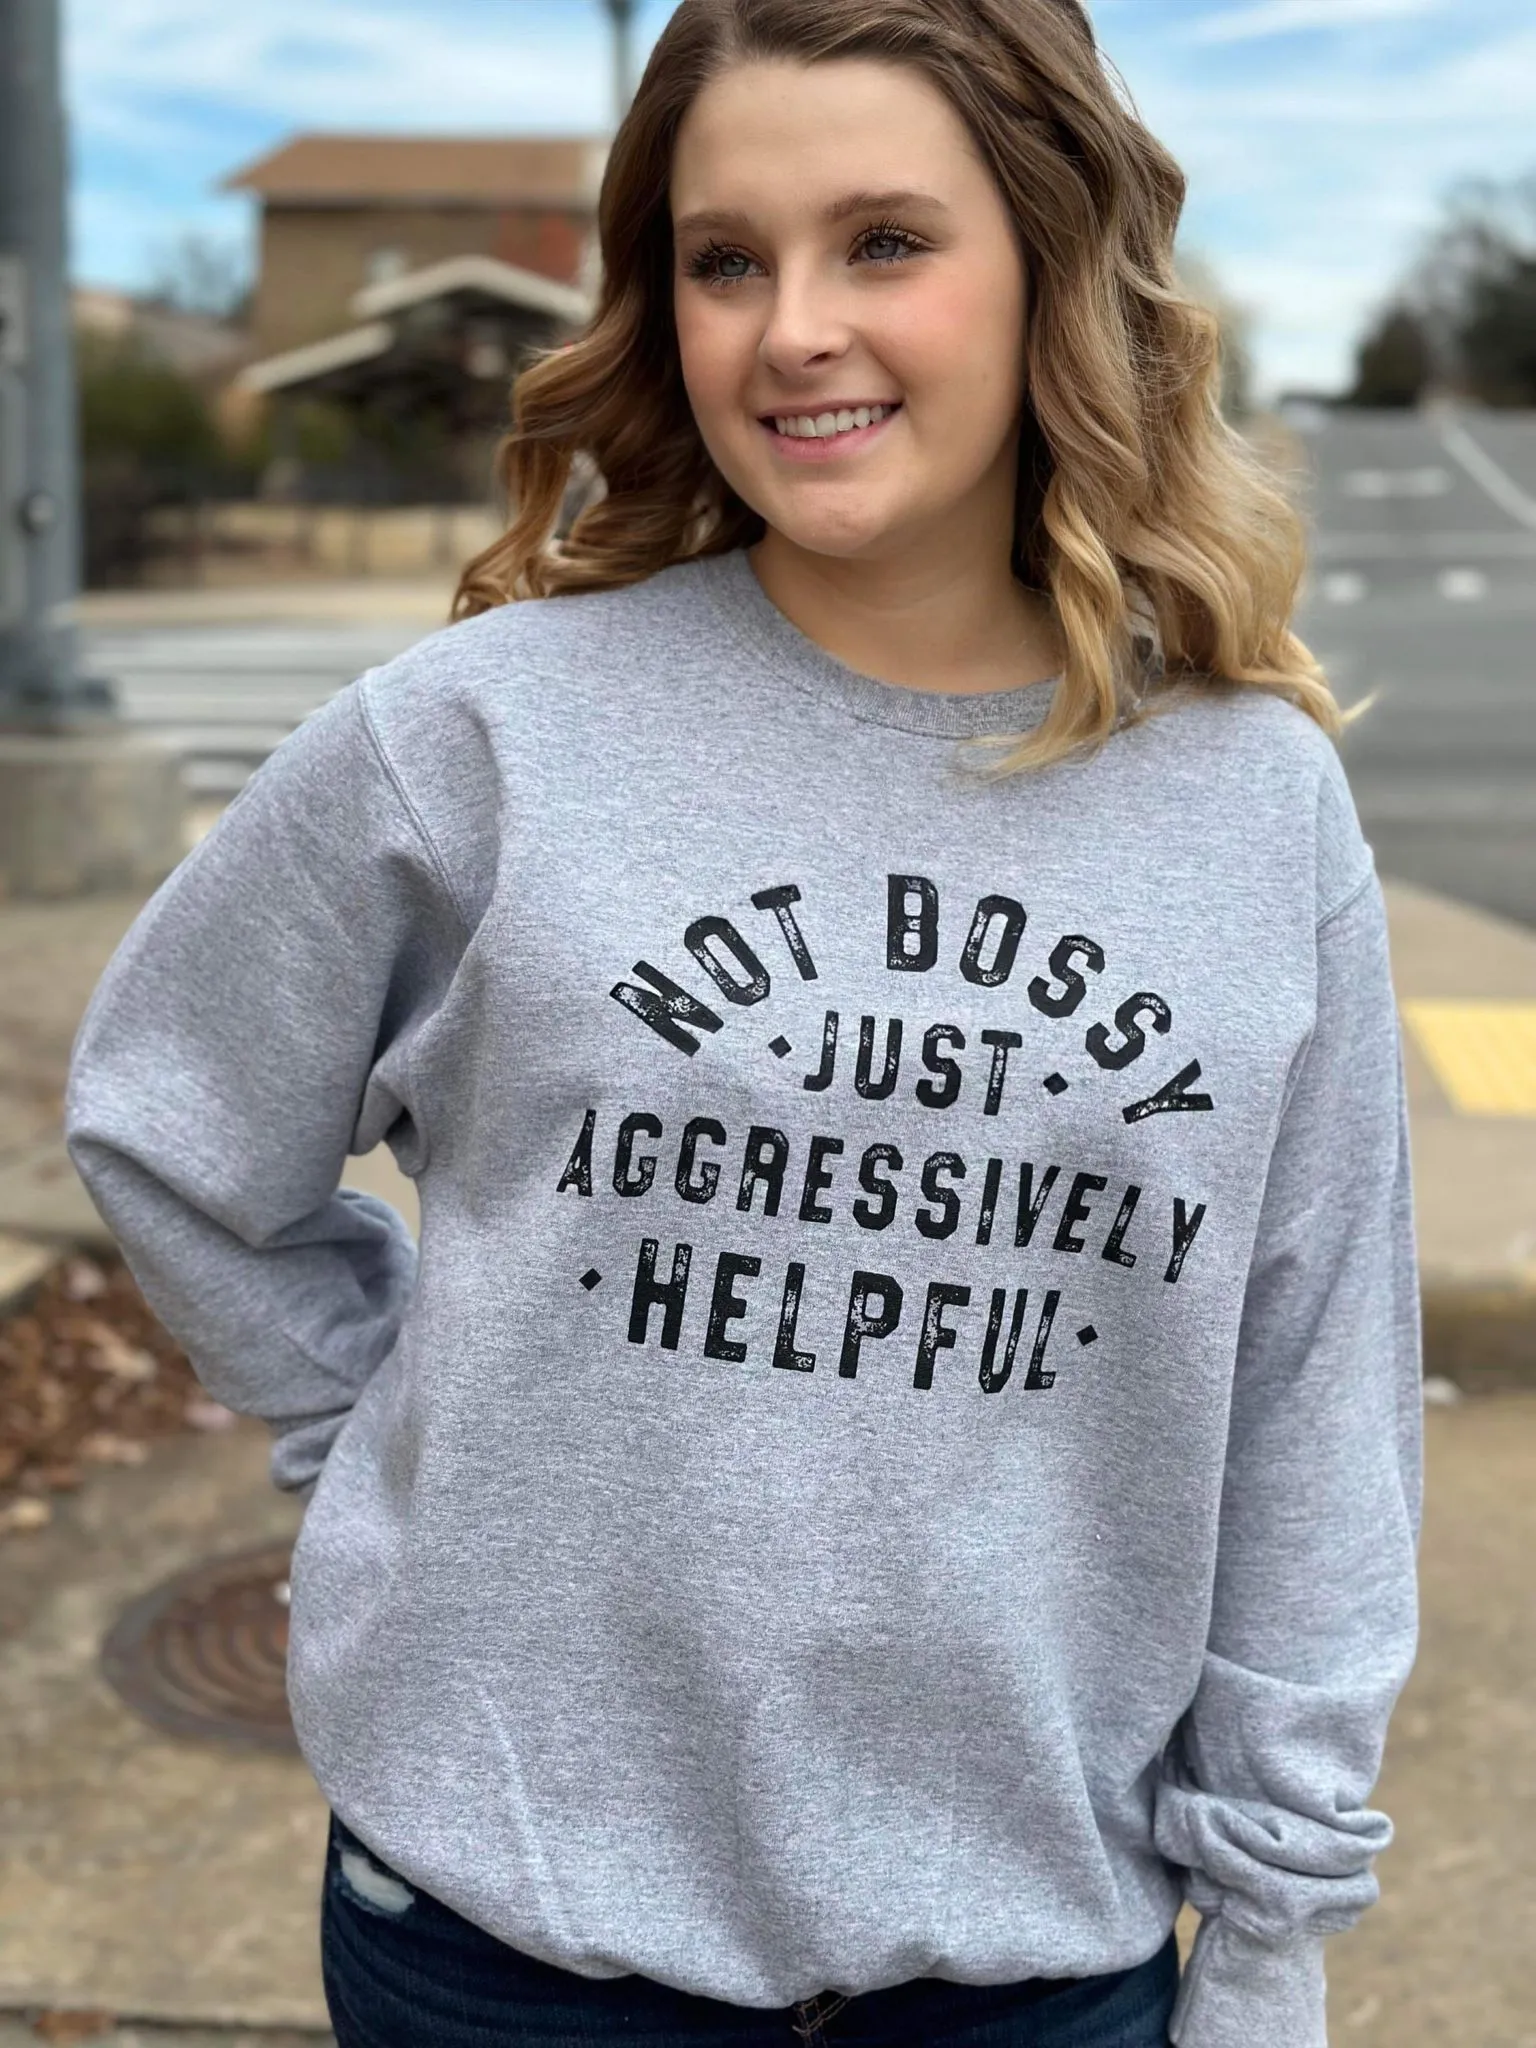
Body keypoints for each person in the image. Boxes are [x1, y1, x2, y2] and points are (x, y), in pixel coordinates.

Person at [63, 1, 1424, 2044]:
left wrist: (1271, 1934)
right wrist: (382, 1427)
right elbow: (174, 1121)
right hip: (504, 1946)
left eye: (885, 241)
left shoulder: (1250, 797)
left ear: (1053, 265)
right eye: (726, 258)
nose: (793, 326)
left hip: (1033, 1958)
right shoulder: (488, 735)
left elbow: (1314, 1393)